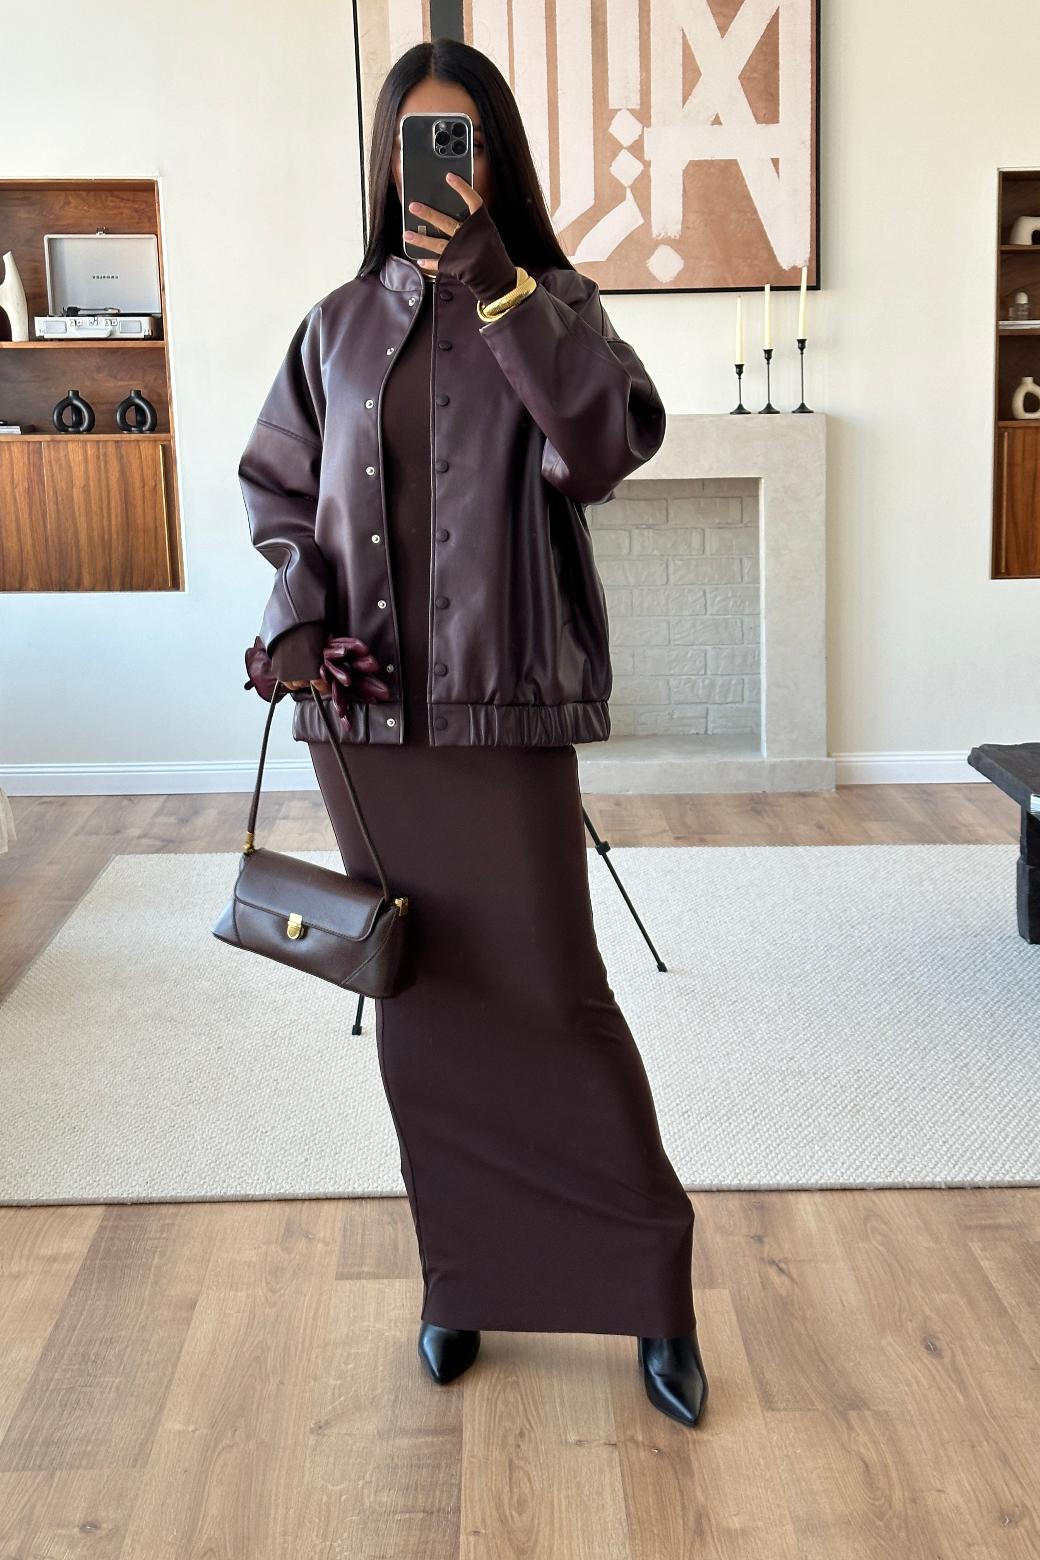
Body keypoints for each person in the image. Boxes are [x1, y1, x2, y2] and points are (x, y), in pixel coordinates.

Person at [239, 37, 707, 1429]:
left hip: (506, 708)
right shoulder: (334, 327)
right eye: (418, 141)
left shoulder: (556, 305)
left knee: (556, 996)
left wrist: (501, 288)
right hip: (364, 721)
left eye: (467, 140)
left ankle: (651, 1294)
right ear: (386, 162)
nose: (440, 167)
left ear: (498, 158)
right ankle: (463, 1279)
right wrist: (296, 615)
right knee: (424, 1006)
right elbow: (279, 493)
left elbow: (600, 450)